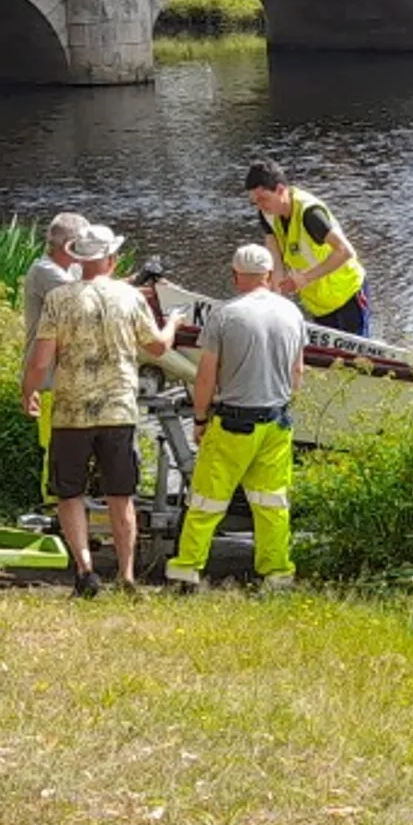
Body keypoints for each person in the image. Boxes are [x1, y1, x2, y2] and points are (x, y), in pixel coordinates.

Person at [21, 222, 179, 598]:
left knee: (69, 493)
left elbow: (41, 359)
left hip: (71, 410)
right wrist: (173, 322)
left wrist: (28, 391)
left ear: (78, 257)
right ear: (112, 259)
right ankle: (126, 576)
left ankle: (85, 571)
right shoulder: (129, 297)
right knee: (120, 495)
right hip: (119, 409)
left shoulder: (60, 298)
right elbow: (157, 348)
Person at [165, 243, 306, 593]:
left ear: (235, 275)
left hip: (233, 424)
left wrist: (199, 418)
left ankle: (186, 572)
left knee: (206, 501)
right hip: (276, 423)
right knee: (272, 503)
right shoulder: (292, 314)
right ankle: (276, 575)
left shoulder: (225, 316)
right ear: (269, 275)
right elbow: (298, 372)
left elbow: (205, 376)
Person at [244, 158, 370, 336]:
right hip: (319, 304)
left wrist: (305, 278)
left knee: (356, 359)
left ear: (280, 190)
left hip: (347, 294)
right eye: (254, 202)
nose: (260, 206)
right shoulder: (268, 215)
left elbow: (345, 251)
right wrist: (276, 294)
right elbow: (275, 255)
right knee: (328, 360)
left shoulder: (310, 214)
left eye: (263, 199)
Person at [23, 211, 87, 503]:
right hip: (47, 377)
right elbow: (83, 298)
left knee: (75, 446)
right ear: (68, 245)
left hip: (70, 375)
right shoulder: (45, 271)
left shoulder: (71, 271)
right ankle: (52, 506)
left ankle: (71, 502)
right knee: (55, 446)